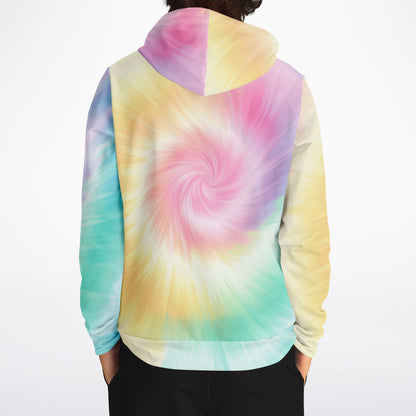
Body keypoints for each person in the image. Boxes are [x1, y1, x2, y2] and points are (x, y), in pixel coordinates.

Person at [78, 1, 331, 415]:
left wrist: (104, 342)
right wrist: (307, 341)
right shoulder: (289, 88)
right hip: (264, 355)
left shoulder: (120, 83)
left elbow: (102, 232)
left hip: (150, 359)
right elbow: (305, 235)